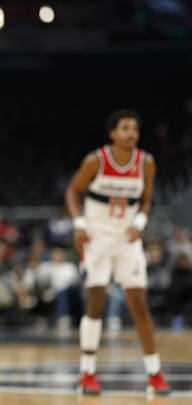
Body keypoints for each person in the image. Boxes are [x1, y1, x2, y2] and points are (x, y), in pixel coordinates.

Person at [65, 110, 171, 397]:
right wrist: (79, 226)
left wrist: (139, 223)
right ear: (112, 133)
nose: (131, 133)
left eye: (134, 129)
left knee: (139, 303)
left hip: (127, 239)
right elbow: (72, 192)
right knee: (96, 299)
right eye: (125, 128)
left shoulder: (146, 163)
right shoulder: (95, 160)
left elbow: (147, 201)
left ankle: (155, 373)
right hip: (97, 238)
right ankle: (87, 372)